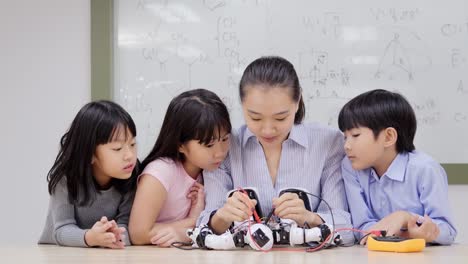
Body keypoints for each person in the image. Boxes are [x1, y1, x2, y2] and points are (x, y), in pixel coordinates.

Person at [198, 56, 354, 244]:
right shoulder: (226, 146)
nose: (267, 130)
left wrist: (310, 218)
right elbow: (203, 227)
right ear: (242, 105)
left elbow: (346, 230)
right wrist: (223, 216)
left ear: (297, 102)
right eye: (255, 118)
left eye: (280, 118)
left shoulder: (328, 143)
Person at [339, 89, 457, 245]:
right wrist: (391, 232)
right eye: (345, 137)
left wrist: (407, 218)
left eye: (355, 135)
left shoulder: (425, 169)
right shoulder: (350, 167)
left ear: (389, 137)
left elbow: (447, 231)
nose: (346, 146)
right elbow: (361, 226)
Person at [129, 89, 232, 247]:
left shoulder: (214, 171)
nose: (220, 152)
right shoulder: (160, 172)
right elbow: (139, 233)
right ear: (180, 145)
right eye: (209, 144)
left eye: (225, 139)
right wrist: (191, 223)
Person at [38, 100, 139, 248]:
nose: (130, 155)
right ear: (90, 153)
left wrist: (116, 235)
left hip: (104, 253)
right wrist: (90, 237)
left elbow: (128, 227)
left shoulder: (131, 175)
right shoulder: (66, 178)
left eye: (132, 144)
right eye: (117, 149)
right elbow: (61, 229)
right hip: (60, 253)